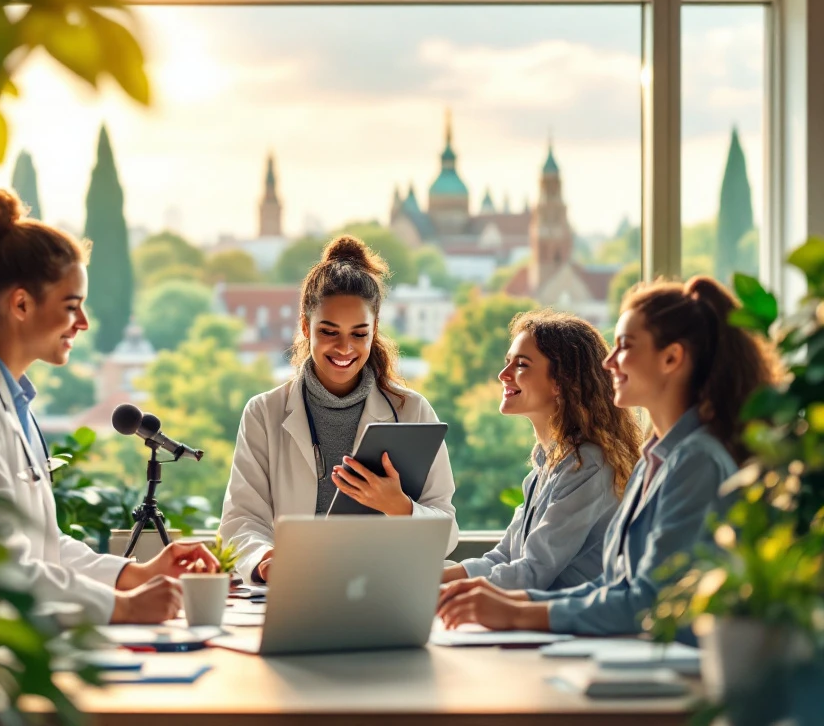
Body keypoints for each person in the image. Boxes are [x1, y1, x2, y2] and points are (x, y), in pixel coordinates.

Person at [0, 190, 217, 626]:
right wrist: (122, 607)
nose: (82, 323)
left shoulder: (3, 396)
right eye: (71, 307)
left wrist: (135, 575)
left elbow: (42, 546)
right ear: (21, 304)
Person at [437, 276, 780, 635]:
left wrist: (517, 613)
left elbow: (647, 601)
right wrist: (506, 604)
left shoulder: (696, 461)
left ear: (671, 358)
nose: (609, 363)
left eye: (625, 346)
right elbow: (613, 587)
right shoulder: (655, 460)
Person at [219, 235, 459, 584]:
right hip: (297, 585)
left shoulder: (413, 411)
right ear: (305, 327)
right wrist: (265, 559)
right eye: (329, 332)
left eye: (359, 334)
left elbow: (447, 530)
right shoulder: (263, 413)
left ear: (375, 329)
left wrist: (399, 506)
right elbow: (241, 519)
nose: (345, 348)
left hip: (385, 587)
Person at [441, 310, 642, 590]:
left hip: (573, 626)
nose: (503, 375)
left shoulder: (587, 465)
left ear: (561, 382)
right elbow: (503, 556)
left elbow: (532, 573)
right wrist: (432, 579)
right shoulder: (548, 463)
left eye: (521, 365)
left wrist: (437, 590)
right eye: (507, 362)